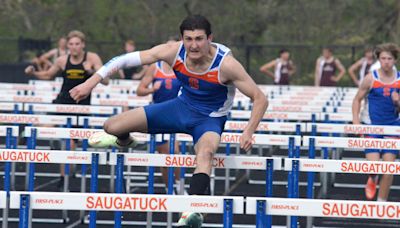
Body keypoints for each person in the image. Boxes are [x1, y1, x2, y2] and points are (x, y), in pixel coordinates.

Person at [70, 15, 268, 227]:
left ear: (210, 38)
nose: (194, 45)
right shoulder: (173, 51)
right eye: (189, 39)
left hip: (209, 119)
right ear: (182, 39)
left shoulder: (226, 65)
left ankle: (191, 210)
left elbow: (260, 98)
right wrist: (90, 83)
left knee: (206, 153)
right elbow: (123, 60)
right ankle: (125, 141)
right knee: (111, 126)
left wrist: (248, 130)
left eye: (199, 39)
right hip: (179, 108)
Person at [25, 30, 108, 188]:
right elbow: (48, 75)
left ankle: (67, 172)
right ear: (67, 45)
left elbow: (107, 81)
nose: (74, 47)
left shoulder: (92, 58)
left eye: (77, 44)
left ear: (83, 45)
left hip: (81, 105)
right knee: (66, 140)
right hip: (63, 101)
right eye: (71, 44)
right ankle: (63, 177)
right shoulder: (62, 60)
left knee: (72, 142)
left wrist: (91, 72)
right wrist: (34, 72)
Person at [352, 43, 400, 202]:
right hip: (372, 126)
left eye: (389, 59)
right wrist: (356, 122)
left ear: (394, 60)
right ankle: (372, 177)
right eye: (383, 58)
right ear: (379, 60)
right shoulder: (371, 78)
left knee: (388, 170)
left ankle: (381, 204)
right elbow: (357, 100)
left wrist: (398, 102)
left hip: (393, 127)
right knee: (374, 166)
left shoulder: (399, 79)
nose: (386, 62)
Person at [136, 38, 184, 194]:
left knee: (175, 152)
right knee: (164, 156)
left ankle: (179, 186)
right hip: (159, 115)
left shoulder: (183, 67)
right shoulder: (154, 68)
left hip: (179, 114)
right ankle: (169, 187)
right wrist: (152, 89)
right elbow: (140, 90)